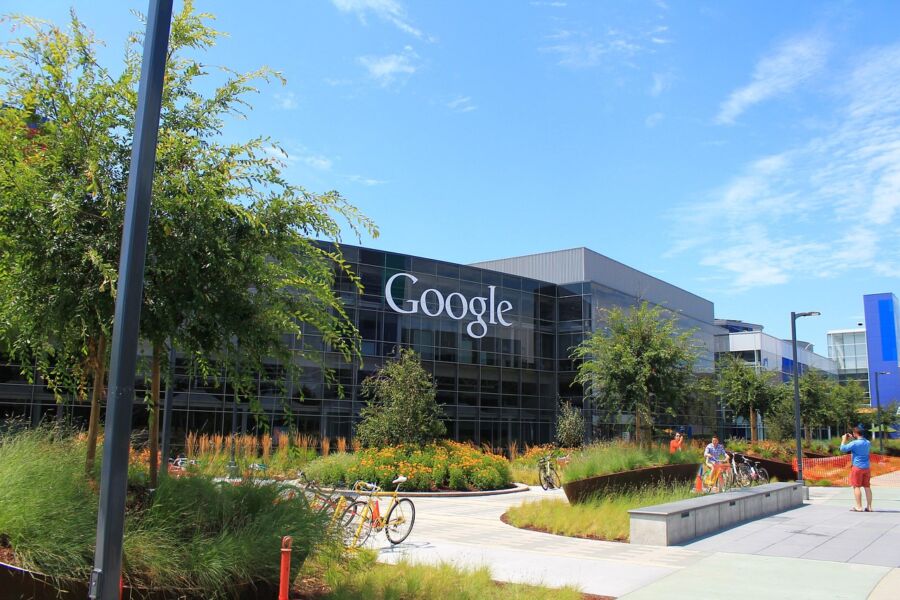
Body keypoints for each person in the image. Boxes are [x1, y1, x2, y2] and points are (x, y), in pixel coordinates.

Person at [840, 426, 872, 512]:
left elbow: (842, 449)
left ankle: (859, 507)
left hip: (857, 467)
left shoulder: (854, 443)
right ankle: (869, 507)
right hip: (867, 467)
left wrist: (843, 439)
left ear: (855, 433)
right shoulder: (868, 442)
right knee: (867, 487)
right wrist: (853, 439)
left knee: (856, 486)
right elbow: (859, 445)